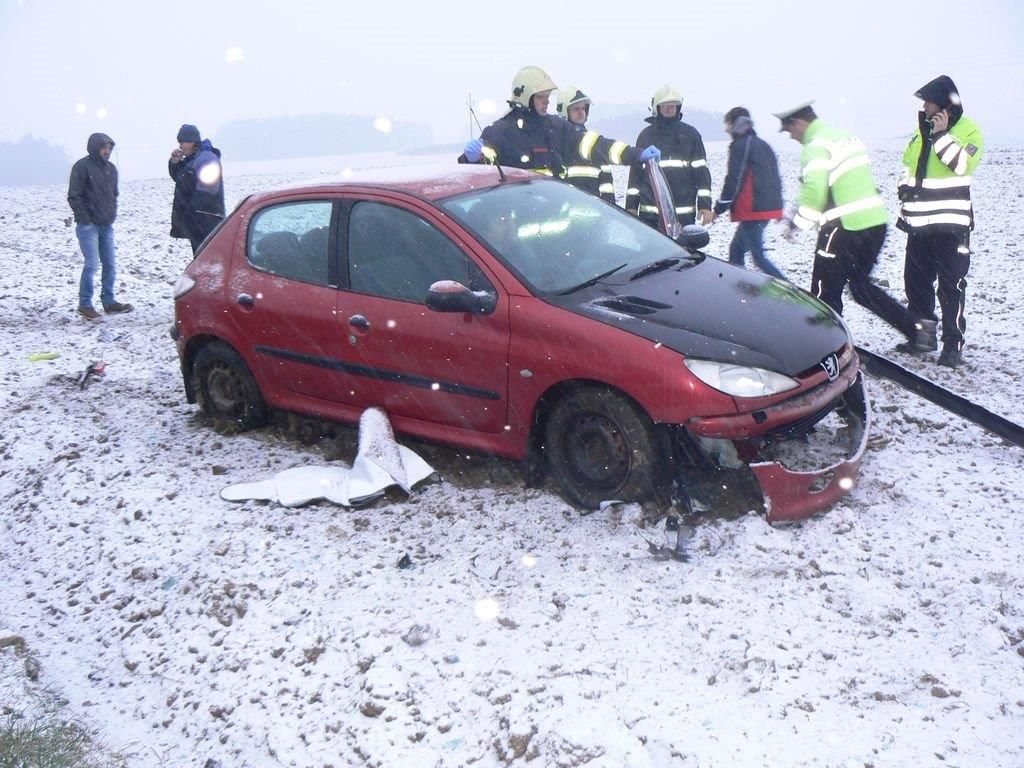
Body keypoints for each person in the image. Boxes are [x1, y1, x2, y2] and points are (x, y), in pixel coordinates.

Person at [775, 102, 936, 352]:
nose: (791, 137)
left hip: (842, 227)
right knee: (861, 288)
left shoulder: (815, 146)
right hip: (875, 223)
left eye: (789, 130)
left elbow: (815, 190)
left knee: (824, 291)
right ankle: (918, 331)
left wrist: (797, 223)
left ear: (799, 123)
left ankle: (823, 347)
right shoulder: (843, 137)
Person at [896, 75, 984, 368]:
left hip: (951, 227)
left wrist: (942, 135)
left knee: (950, 287)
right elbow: (909, 169)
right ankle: (923, 339)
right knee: (916, 285)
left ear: (944, 105)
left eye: (928, 102)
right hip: (919, 226)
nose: (924, 107)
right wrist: (903, 188)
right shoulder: (919, 132)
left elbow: (961, 165)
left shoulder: (969, 130)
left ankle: (952, 345)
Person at [459, 66, 660, 181]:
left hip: (554, 215)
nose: (547, 101)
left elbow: (596, 145)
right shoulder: (501, 131)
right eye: (541, 97)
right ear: (525, 97)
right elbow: (483, 169)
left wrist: (636, 154)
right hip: (519, 220)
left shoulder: (556, 127)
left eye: (548, 97)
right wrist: (473, 158)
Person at [712, 107, 786, 279]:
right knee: (736, 251)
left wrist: (719, 208)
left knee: (758, 257)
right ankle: (739, 286)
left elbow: (734, 178)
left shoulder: (740, 146)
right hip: (765, 209)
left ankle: (788, 290)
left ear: (736, 124)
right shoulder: (762, 144)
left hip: (754, 210)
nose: (726, 129)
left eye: (727, 124)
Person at [626, 85, 713, 228]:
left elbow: (702, 173)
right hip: (650, 215)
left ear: (678, 108)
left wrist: (705, 205)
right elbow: (636, 175)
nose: (669, 109)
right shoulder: (645, 136)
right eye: (665, 106)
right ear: (657, 108)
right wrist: (631, 206)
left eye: (673, 106)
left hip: (683, 216)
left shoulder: (691, 135)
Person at [67, 132, 132, 319]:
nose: (107, 151)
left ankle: (109, 302)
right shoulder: (81, 167)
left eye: (109, 147)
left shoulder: (111, 169)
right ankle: (85, 304)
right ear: (95, 147)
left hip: (106, 224)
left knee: (110, 264)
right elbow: (74, 196)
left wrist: (111, 213)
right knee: (92, 265)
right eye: (104, 147)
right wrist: (85, 218)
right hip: (88, 226)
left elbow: (114, 195)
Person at [169, 124, 226, 255]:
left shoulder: (207, 159)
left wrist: (190, 212)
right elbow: (180, 180)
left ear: (192, 141)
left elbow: (207, 191)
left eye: (183, 142)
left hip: (207, 222)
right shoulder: (192, 160)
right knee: (201, 258)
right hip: (198, 222)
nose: (180, 146)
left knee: (208, 258)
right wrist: (175, 162)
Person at [555, 85, 616, 203]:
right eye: (576, 109)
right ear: (564, 111)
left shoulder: (592, 141)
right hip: (565, 204)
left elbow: (607, 182)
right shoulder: (557, 140)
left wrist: (608, 206)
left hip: (593, 206)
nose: (581, 112)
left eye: (583, 108)